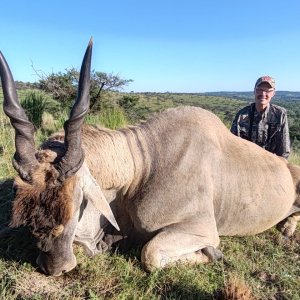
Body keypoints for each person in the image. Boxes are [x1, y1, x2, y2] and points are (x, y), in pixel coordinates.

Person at [230, 76, 290, 159]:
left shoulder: (280, 114)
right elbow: (233, 146)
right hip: (246, 163)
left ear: (273, 93)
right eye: (260, 90)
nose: (263, 94)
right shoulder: (242, 115)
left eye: (267, 91)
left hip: (271, 165)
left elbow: (284, 152)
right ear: (254, 91)